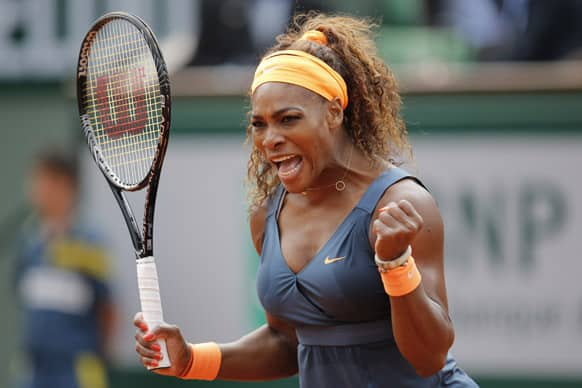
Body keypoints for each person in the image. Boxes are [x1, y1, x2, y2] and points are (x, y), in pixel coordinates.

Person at [134, 12, 478, 387]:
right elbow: (288, 342)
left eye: (288, 119)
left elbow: (429, 358)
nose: (269, 139)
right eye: (259, 123)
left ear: (333, 112)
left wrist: (396, 264)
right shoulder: (266, 214)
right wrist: (190, 360)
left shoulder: (400, 204)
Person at [15, 149, 115, 388]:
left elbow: (109, 308)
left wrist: (97, 356)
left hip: (76, 370)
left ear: (66, 186)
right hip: (34, 369)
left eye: (45, 181)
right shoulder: (28, 241)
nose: (36, 189)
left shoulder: (91, 242)